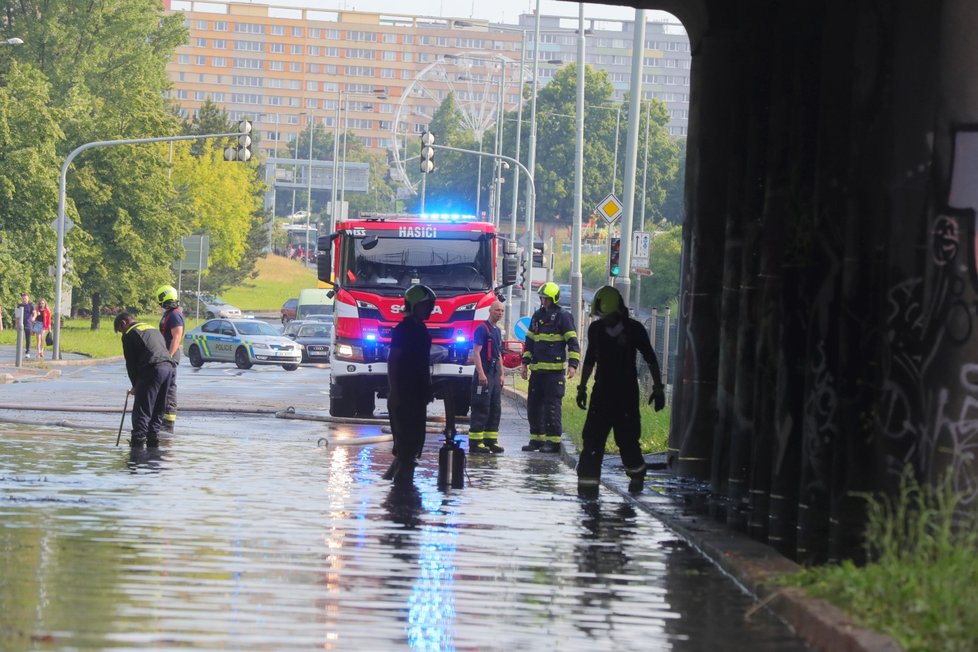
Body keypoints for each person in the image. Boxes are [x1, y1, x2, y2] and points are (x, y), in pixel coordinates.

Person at [575, 285, 666, 494]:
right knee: (593, 439)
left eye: (604, 314)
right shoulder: (597, 330)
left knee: (626, 439)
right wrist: (582, 388)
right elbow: (589, 360)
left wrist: (658, 387)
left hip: (625, 393)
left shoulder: (634, 329)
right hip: (605, 392)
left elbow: (650, 358)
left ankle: (637, 473)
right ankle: (587, 486)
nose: (602, 319)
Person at [384, 284, 436, 484]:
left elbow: (421, 362)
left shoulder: (419, 328)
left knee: (411, 445)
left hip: (415, 395)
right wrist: (394, 392)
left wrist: (427, 386)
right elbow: (393, 360)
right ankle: (402, 493)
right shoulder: (404, 330)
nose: (430, 310)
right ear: (414, 306)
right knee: (407, 445)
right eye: (427, 306)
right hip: (404, 395)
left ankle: (398, 487)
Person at [520, 282, 580, 453]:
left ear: (553, 299)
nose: (543, 301)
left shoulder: (563, 317)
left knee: (551, 407)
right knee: (534, 406)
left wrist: (573, 365)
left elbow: (573, 343)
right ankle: (536, 439)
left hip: (554, 374)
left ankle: (553, 442)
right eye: (542, 298)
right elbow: (530, 342)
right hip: (537, 372)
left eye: (546, 299)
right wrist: (524, 364)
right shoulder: (537, 316)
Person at [114, 312, 176, 449]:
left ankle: (137, 444)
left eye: (120, 330)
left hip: (152, 369)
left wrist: (135, 385)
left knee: (142, 409)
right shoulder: (151, 328)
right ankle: (153, 443)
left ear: (123, 323)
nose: (121, 333)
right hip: (168, 369)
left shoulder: (129, 334)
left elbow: (131, 364)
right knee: (158, 408)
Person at [468, 300, 506, 455]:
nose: (500, 313)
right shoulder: (482, 329)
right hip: (484, 371)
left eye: (502, 311)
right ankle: (476, 442)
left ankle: (491, 440)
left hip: (495, 372)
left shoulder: (497, 331)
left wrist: (502, 374)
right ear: (490, 311)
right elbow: (476, 352)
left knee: (495, 407)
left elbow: (498, 354)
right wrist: (481, 373)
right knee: (481, 406)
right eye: (497, 310)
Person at [156, 285, 185, 433]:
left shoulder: (174, 315)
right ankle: (163, 419)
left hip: (170, 357)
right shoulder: (169, 314)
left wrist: (168, 357)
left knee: (169, 389)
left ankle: (168, 423)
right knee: (164, 388)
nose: (159, 304)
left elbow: (177, 337)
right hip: (166, 356)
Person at [17, 293, 35, 359]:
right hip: (21, 324)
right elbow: (17, 316)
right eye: (23, 298)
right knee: (20, 338)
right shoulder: (19, 306)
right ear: (21, 299)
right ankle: (19, 350)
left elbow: (34, 313)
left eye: (25, 298)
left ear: (28, 299)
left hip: (28, 324)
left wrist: (34, 318)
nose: (24, 300)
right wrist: (17, 324)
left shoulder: (31, 305)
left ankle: (28, 352)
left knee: (28, 339)